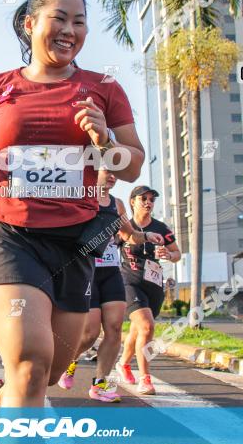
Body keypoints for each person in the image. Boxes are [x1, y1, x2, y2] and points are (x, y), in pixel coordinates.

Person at [0, 0, 143, 444]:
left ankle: (1, 398)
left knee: (52, 371)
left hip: (77, 242)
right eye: (59, 17)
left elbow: (131, 167)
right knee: (30, 363)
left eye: (79, 21)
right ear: (30, 24)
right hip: (10, 236)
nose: (70, 30)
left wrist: (103, 138)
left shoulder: (104, 89)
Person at [57, 170, 166, 402]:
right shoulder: (81, 198)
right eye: (107, 172)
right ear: (92, 172)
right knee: (89, 333)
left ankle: (100, 384)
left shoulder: (116, 204)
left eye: (115, 173)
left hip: (111, 271)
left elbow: (129, 235)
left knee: (115, 328)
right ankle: (69, 363)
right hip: (87, 271)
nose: (112, 176)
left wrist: (147, 237)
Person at [115, 185, 181, 395]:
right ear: (132, 201)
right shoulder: (124, 227)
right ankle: (145, 379)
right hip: (129, 281)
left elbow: (177, 253)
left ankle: (123, 364)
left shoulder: (162, 228)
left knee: (138, 330)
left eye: (151, 199)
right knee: (146, 327)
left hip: (154, 284)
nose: (148, 202)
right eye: (143, 198)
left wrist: (168, 255)